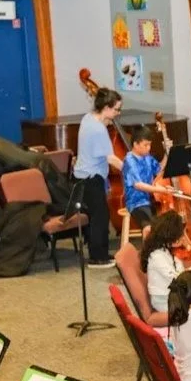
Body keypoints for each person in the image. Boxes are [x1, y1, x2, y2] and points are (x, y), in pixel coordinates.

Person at [72, 87, 124, 268]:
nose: (118, 113)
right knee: (100, 217)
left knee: (97, 216)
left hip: (82, 177)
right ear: (107, 108)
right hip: (91, 178)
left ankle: (100, 252)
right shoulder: (98, 130)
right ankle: (97, 257)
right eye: (116, 109)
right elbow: (111, 158)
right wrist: (130, 169)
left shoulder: (88, 118)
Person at [139, 210, 191, 327]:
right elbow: (179, 280)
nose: (183, 237)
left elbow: (180, 274)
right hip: (165, 301)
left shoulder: (165, 251)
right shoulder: (157, 256)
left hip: (174, 295)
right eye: (181, 234)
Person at [120, 126, 163, 246]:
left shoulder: (148, 157)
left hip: (151, 199)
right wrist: (159, 189)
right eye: (145, 145)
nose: (149, 148)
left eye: (150, 144)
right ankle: (147, 253)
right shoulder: (129, 160)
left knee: (165, 222)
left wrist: (167, 153)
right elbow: (138, 185)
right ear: (135, 144)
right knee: (149, 227)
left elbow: (160, 170)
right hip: (136, 202)